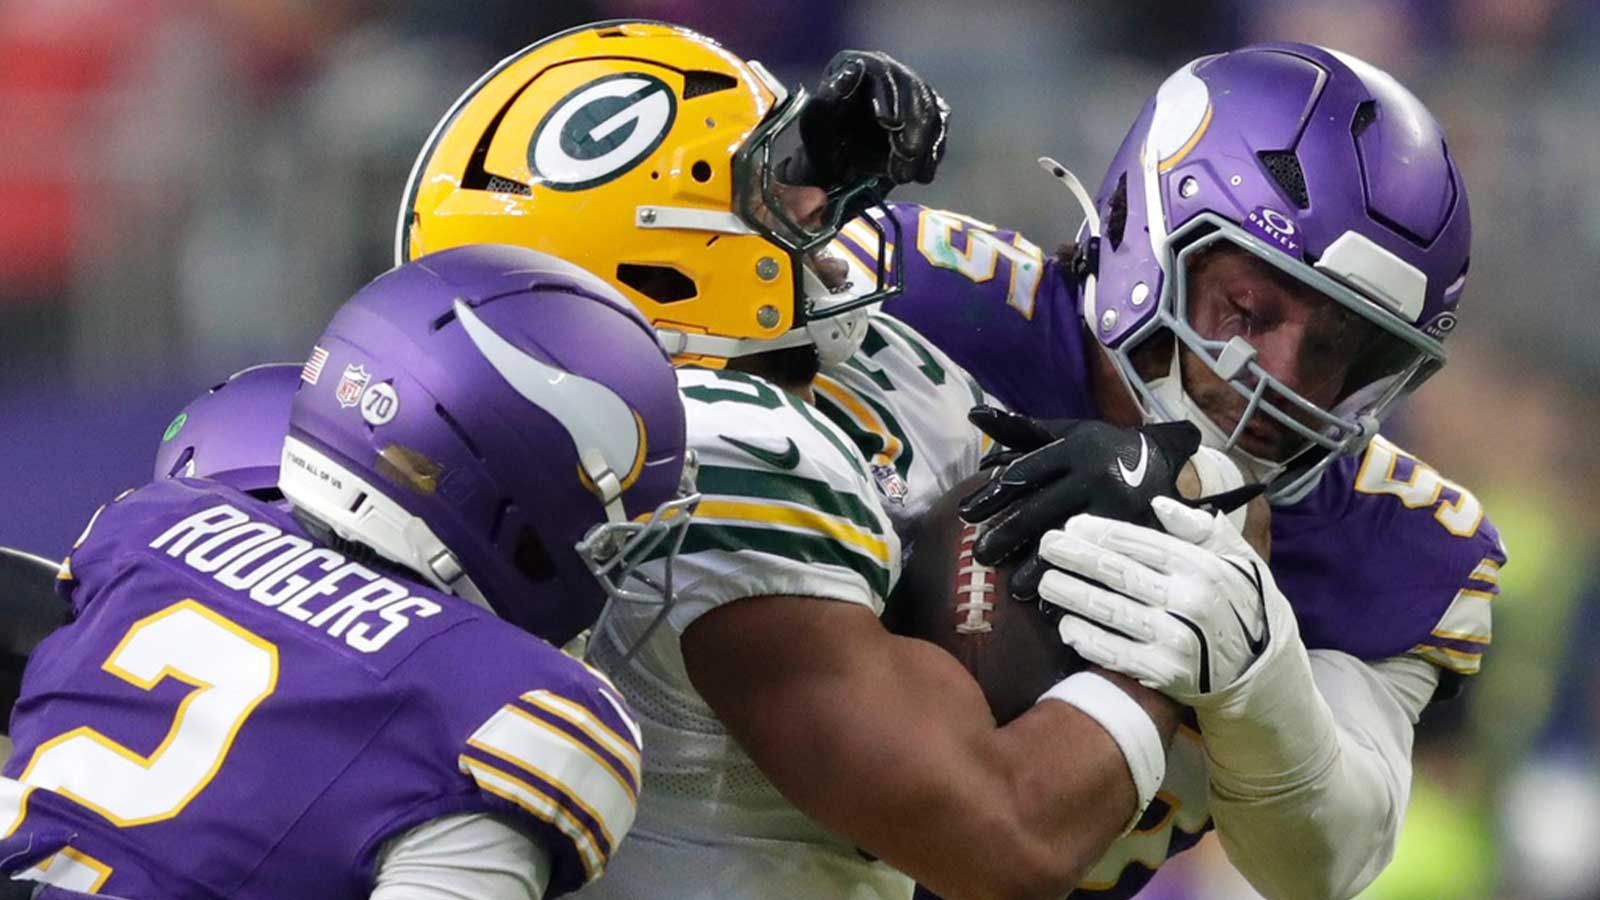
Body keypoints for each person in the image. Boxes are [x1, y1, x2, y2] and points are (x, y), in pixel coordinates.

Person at [398, 20, 1253, 900]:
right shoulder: (719, 448)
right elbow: (1009, 838)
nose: (818, 208)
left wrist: (1181, 492)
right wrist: (1156, 644)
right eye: (766, 190)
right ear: (657, 262)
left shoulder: (859, 369)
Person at [867, 42, 1507, 899]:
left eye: (1334, 351)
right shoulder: (915, 297)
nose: (1279, 378)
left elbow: (1326, 864)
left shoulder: (1387, 539)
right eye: (1247, 309)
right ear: (1143, 229)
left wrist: (1258, 671)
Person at [0, 244, 695, 899]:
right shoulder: (503, 702)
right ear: (508, 486)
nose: (616, 552)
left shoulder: (156, 524)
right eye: (615, 522)